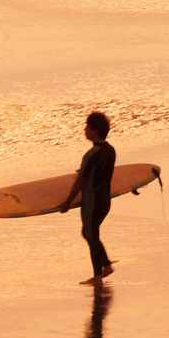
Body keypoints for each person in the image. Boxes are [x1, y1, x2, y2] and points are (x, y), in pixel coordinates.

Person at [59, 111, 116, 284]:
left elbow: (80, 182)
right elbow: (108, 174)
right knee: (89, 233)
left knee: (91, 234)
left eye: (87, 127)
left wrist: (67, 202)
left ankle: (98, 275)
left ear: (95, 130)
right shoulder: (110, 150)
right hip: (105, 200)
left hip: (92, 202)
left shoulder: (91, 155)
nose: (84, 130)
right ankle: (105, 265)